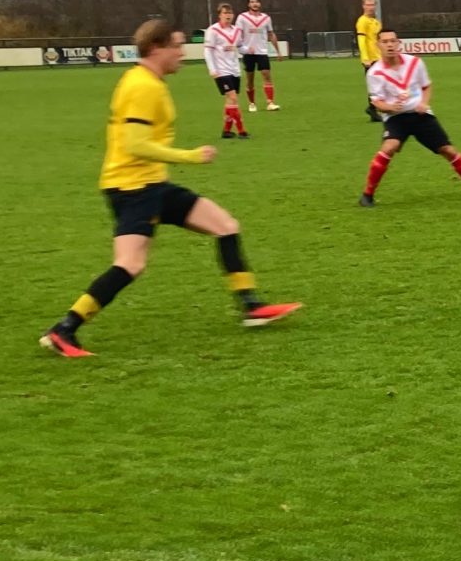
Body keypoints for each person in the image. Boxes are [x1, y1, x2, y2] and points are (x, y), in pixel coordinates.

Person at [38, 18, 299, 358]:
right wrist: (189, 156)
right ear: (155, 48)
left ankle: (251, 306)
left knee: (225, 226)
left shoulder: (147, 81)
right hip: (133, 188)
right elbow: (135, 144)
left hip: (151, 185)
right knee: (130, 264)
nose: (182, 52)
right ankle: (64, 329)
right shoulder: (142, 87)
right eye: (176, 46)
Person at [358, 29, 461, 205]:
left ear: (399, 43)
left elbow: (426, 86)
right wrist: (390, 107)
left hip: (420, 115)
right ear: (378, 45)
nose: (390, 45)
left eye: (393, 41)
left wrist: (424, 103)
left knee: (448, 150)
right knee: (389, 147)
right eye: (385, 42)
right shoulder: (375, 73)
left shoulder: (415, 63)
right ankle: (367, 195)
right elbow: (377, 102)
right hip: (396, 118)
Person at [203, 3, 251, 138]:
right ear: (219, 15)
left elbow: (240, 47)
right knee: (233, 97)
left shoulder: (236, 31)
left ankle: (226, 131)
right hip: (221, 71)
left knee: (230, 101)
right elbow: (208, 51)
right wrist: (212, 69)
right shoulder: (213, 30)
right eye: (225, 13)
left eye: (230, 13)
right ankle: (241, 131)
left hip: (234, 69)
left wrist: (249, 50)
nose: (228, 15)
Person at [237, 0, 279, 110]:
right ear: (248, 4)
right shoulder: (242, 17)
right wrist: (241, 47)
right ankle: (252, 103)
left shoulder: (266, 18)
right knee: (250, 79)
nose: (254, 4)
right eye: (252, 2)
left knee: (267, 75)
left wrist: (278, 51)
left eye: (256, 2)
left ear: (260, 4)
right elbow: (238, 34)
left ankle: (270, 103)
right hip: (248, 52)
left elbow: (271, 34)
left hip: (262, 52)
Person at [355, 0, 384, 121]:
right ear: (363, 6)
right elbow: (361, 40)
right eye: (368, 5)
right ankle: (373, 109)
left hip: (379, 58)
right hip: (370, 59)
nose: (370, 7)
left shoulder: (376, 22)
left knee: (380, 84)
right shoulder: (362, 21)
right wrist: (365, 58)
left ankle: (373, 109)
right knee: (375, 85)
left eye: (372, 5)